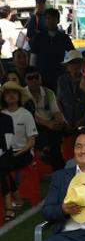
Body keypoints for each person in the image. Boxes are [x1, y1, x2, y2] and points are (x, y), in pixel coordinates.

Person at [1, 81, 37, 215]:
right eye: (8, 93)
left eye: (14, 93)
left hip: (24, 152)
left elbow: (31, 142)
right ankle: (14, 199)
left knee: (3, 167)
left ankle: (11, 201)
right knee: (3, 166)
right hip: (6, 153)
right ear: (3, 97)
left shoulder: (26, 114)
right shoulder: (2, 114)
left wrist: (16, 153)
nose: (11, 96)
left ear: (19, 96)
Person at [25, 68, 66, 170]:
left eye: (36, 77)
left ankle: (48, 154)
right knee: (50, 135)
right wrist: (48, 123)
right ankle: (56, 165)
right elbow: (28, 115)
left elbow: (56, 111)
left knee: (56, 132)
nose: (34, 80)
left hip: (49, 125)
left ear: (40, 78)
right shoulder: (22, 94)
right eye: (30, 78)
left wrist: (58, 120)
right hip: (30, 125)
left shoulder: (48, 92)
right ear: (25, 80)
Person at [28, 8, 74, 90]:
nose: (51, 21)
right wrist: (33, 75)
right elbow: (33, 57)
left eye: (54, 18)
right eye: (48, 18)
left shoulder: (64, 37)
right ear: (45, 20)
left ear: (58, 20)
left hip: (59, 75)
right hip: (42, 76)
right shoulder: (38, 37)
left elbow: (73, 54)